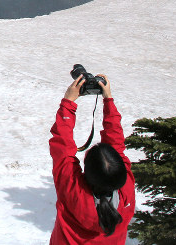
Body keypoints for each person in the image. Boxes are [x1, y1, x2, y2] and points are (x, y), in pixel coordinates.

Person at [49, 74, 136, 244]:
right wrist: (108, 100)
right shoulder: (126, 192)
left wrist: (68, 102)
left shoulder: (74, 191)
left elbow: (62, 146)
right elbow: (116, 144)